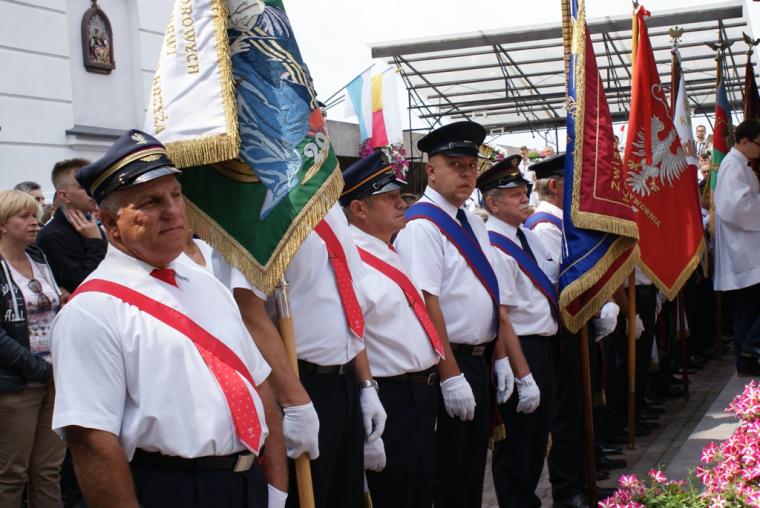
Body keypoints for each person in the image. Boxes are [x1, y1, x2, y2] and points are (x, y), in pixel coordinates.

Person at [50, 129, 287, 507]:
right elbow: (93, 442)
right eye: (151, 201)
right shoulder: (92, 311)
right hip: (172, 488)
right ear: (110, 223)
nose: (173, 210)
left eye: (176, 195)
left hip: (247, 482)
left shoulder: (207, 285)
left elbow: (256, 385)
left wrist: (275, 490)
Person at [395, 121, 524, 508]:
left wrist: (500, 357)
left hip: (480, 359)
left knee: (471, 468)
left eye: (471, 165)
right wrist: (451, 375)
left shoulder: (471, 222)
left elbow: (488, 295)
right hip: (449, 361)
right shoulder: (422, 226)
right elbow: (426, 302)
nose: (466, 174)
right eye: (455, 165)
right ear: (431, 170)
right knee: (447, 475)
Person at [341, 151, 442, 508]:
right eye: (390, 197)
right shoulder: (350, 258)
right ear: (359, 209)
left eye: (399, 195)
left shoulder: (388, 249)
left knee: (420, 493)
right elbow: (354, 333)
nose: (402, 204)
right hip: (390, 397)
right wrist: (366, 393)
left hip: (420, 392)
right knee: (394, 495)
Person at [277, 203, 385, 507]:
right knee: (310, 495)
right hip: (300, 382)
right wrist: (292, 399)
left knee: (346, 495)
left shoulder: (331, 207)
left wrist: (366, 385)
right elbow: (251, 314)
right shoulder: (269, 205)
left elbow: (351, 301)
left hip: (345, 378)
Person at [180, 233, 321, 464]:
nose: (174, 216)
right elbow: (250, 312)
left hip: (253, 426)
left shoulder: (210, 253)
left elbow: (257, 375)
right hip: (191, 452)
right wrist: (293, 399)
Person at [477, 156, 556, 508]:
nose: (524, 197)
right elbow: (503, 315)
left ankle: (528, 499)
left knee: (537, 436)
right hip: (520, 348)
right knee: (518, 441)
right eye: (513, 194)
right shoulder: (494, 245)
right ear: (493, 204)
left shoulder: (528, 236)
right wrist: (522, 374)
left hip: (544, 344)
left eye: (524, 190)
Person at [0, 190, 66, 508]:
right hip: (16, 384)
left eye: (35, 216)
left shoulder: (38, 258)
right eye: (24, 216)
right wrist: (40, 369)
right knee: (12, 474)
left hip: (55, 379)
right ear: (2, 224)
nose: (35, 222)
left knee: (48, 470)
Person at [713, 119, 760, 376]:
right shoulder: (733, 166)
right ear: (744, 141)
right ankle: (750, 347)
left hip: (749, 247)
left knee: (748, 307)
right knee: (748, 306)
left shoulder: (741, 165)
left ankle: (746, 357)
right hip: (745, 250)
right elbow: (736, 208)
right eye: (758, 144)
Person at [37, 158, 107, 293]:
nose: (93, 191)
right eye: (84, 187)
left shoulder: (93, 226)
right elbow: (82, 285)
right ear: (64, 196)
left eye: (94, 184)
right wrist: (96, 242)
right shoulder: (51, 235)